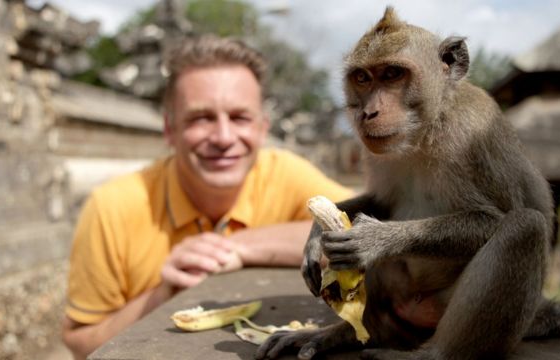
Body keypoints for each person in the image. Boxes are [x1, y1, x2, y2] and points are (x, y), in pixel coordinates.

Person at [61, 35, 352, 359]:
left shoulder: (286, 173)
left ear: (262, 128)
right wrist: (164, 293)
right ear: (169, 130)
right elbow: (80, 342)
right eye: (201, 118)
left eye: (240, 118)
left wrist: (236, 246)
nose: (224, 138)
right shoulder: (112, 207)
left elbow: (372, 224)